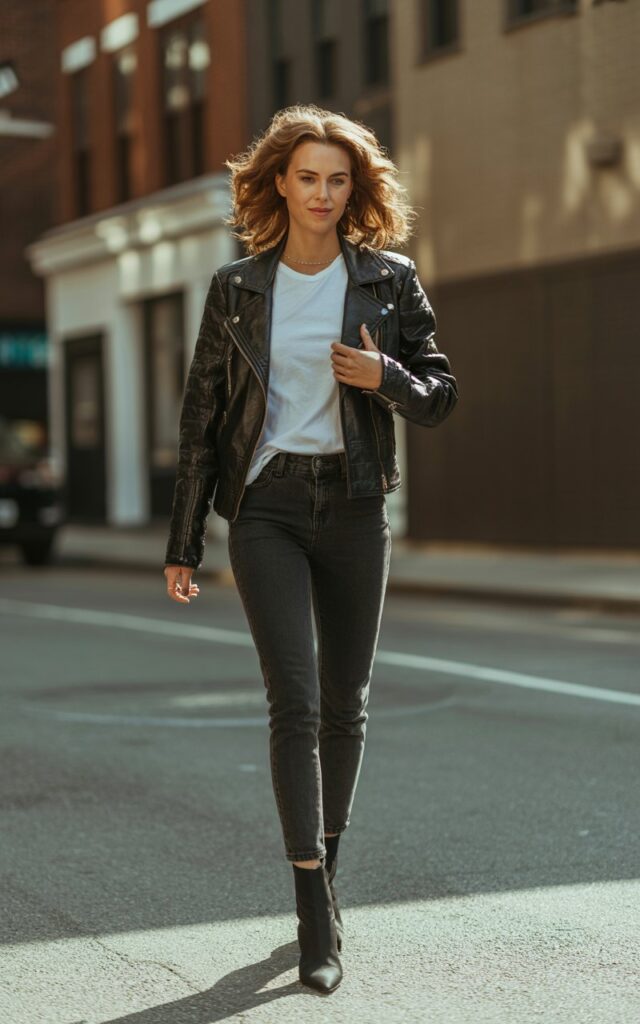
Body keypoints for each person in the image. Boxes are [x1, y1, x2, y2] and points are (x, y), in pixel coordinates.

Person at [163, 103, 458, 995]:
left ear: (352, 188)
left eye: (338, 179)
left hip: (356, 506)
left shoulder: (389, 281)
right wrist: (183, 539)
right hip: (267, 509)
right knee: (292, 702)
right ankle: (312, 917)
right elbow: (202, 424)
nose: (323, 194)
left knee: (346, 703)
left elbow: (441, 394)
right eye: (307, 178)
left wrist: (387, 377)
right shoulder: (237, 289)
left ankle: (327, 875)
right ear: (278, 184)